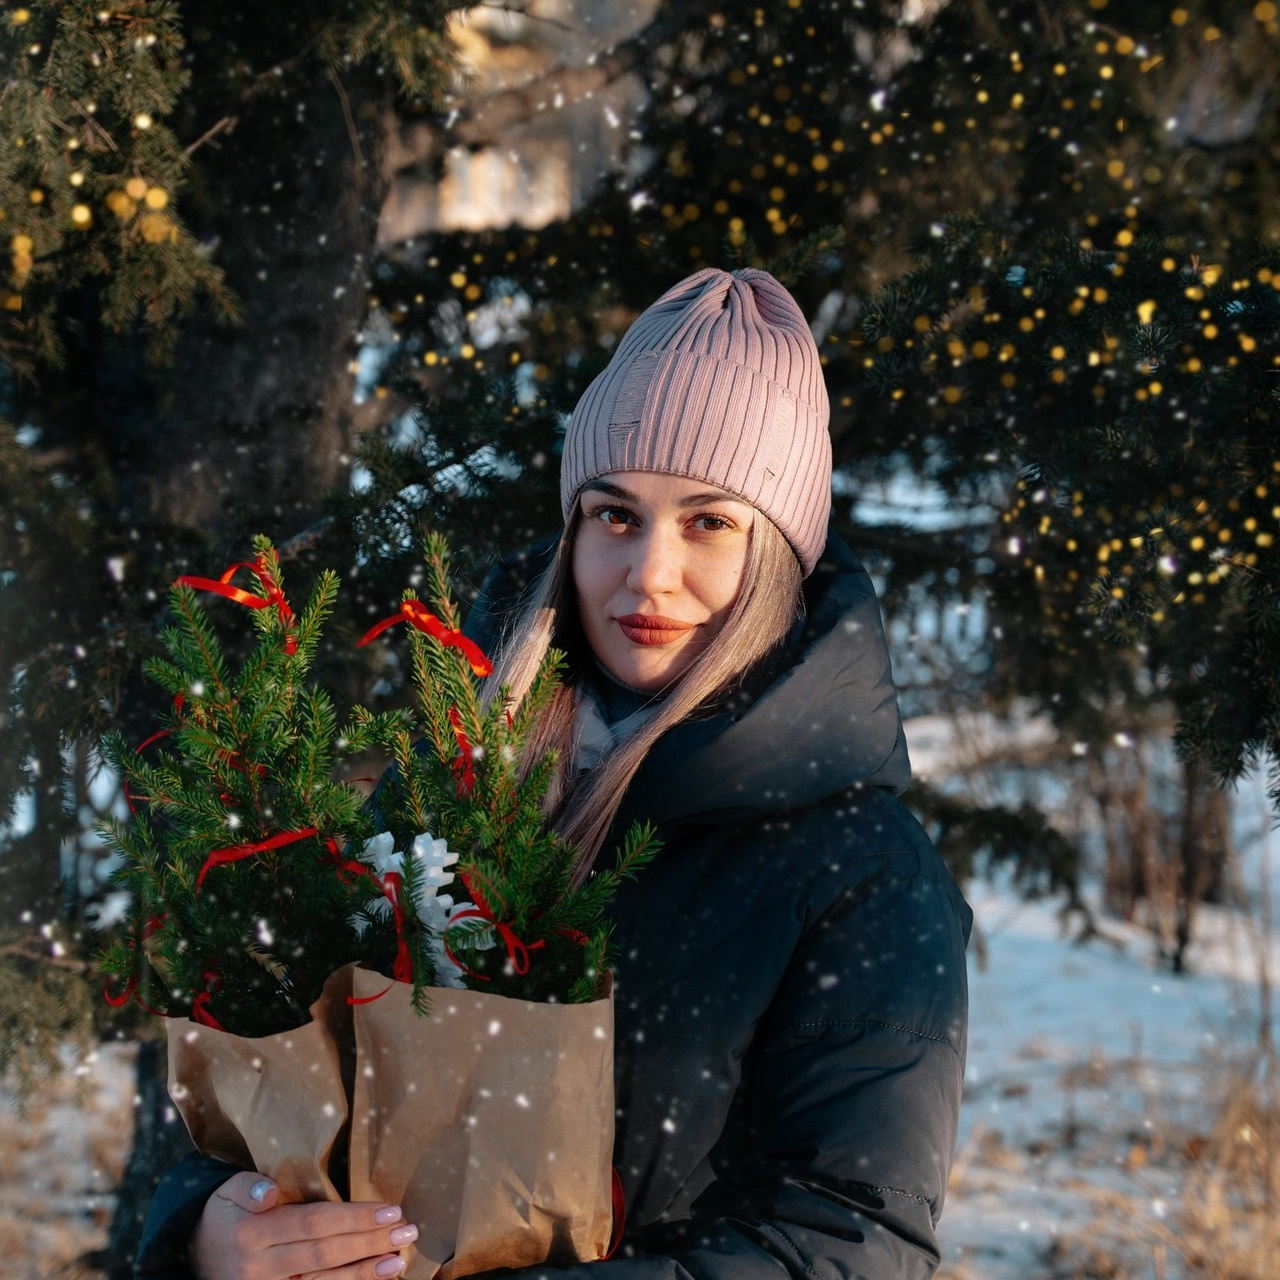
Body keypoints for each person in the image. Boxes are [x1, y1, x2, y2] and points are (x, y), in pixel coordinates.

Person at [135, 268, 972, 1280]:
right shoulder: (452, 790)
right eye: (613, 514)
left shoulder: (858, 868)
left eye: (709, 521)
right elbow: (278, 1093)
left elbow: (848, 1241)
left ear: (779, 555)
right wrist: (213, 1227)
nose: (648, 572)